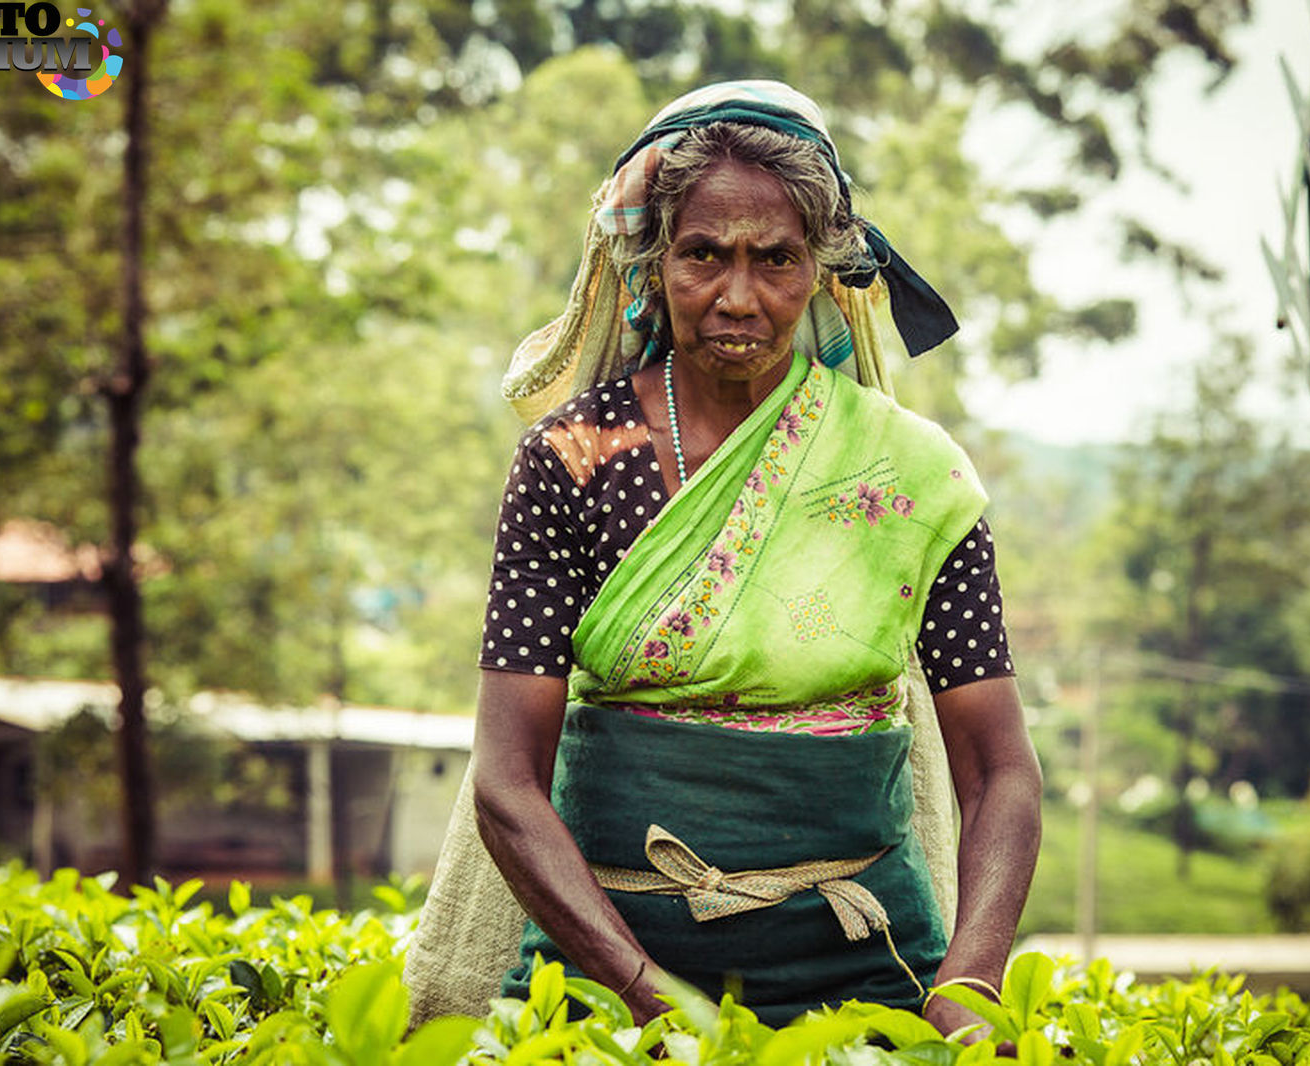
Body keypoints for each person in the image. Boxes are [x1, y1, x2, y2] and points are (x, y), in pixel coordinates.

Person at [404, 81, 1041, 1039]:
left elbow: (1000, 773)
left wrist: (968, 987)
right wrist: (646, 995)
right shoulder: (574, 460)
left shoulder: (910, 476)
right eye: (703, 254)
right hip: (604, 990)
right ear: (654, 263)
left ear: (822, 271)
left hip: (862, 977)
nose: (737, 296)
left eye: (775, 259)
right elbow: (508, 779)